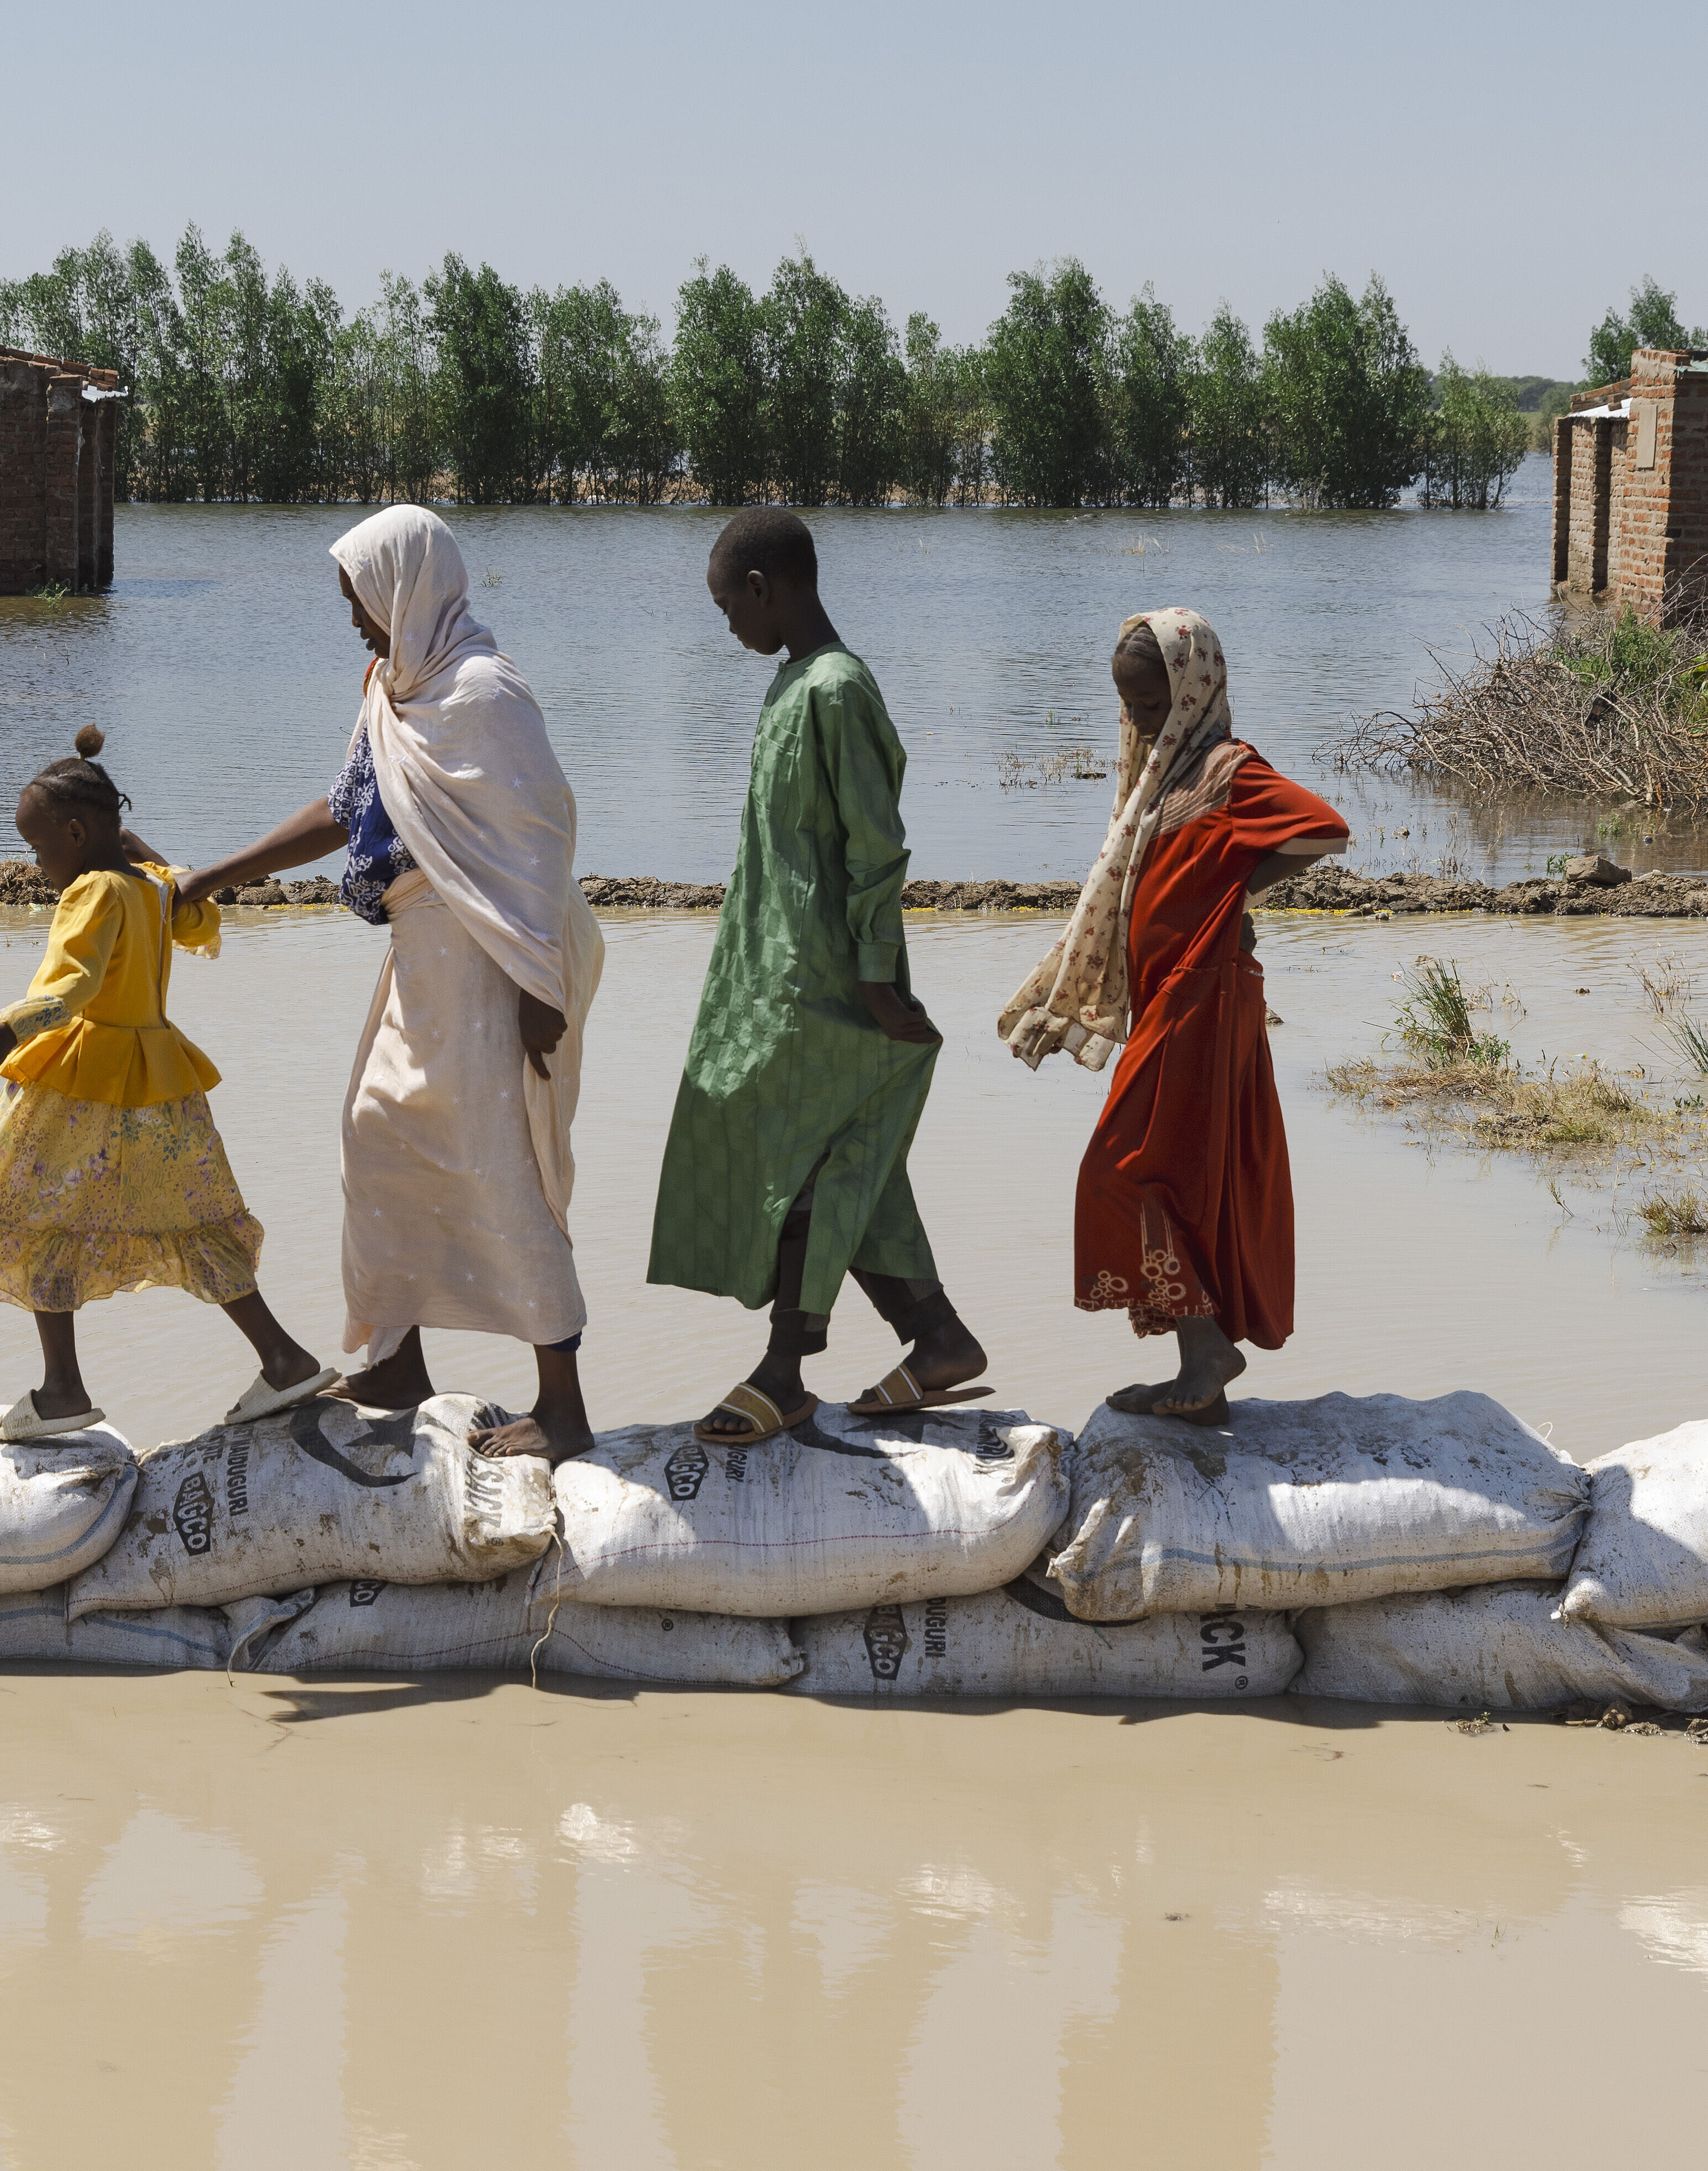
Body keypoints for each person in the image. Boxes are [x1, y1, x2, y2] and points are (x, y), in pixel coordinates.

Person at [175, 507, 602, 1460]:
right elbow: (347, 807)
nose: (357, 622)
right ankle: (397, 1358)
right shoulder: (393, 688)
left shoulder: (485, 692)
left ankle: (563, 1406)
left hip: (494, 958)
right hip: (420, 952)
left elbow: (539, 840)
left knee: (501, 1165)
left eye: (362, 601)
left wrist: (542, 988)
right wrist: (215, 876)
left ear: (408, 589)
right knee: (376, 1135)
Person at [646, 507, 987, 1444]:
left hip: (832, 983)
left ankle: (786, 1368)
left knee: (804, 1162)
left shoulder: (839, 691)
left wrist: (877, 977)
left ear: (763, 589)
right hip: (776, 973)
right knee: (852, 1164)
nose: (729, 629)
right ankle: (939, 1337)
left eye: (727, 609)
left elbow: (877, 849)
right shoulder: (792, 683)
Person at [0, 727, 333, 1439]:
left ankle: (62, 1391)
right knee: (199, 1224)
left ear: (77, 834)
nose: (39, 864)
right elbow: (194, 914)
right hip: (160, 1092)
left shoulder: (90, 893)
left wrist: (13, 1028)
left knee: (32, 1214)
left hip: (78, 1086)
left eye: (42, 848)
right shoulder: (151, 889)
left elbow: (75, 988)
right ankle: (284, 1357)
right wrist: (146, 854)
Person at [997, 609, 1351, 1424]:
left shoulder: (1228, 769)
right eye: (1132, 707)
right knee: (1177, 1176)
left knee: (1118, 1167)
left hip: (1204, 993)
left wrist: (1233, 891)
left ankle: (1207, 1349)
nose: (1143, 722)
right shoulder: (1160, 775)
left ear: (1195, 690)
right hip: (1172, 995)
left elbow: (1324, 831)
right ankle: (1201, 1365)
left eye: (1155, 705)